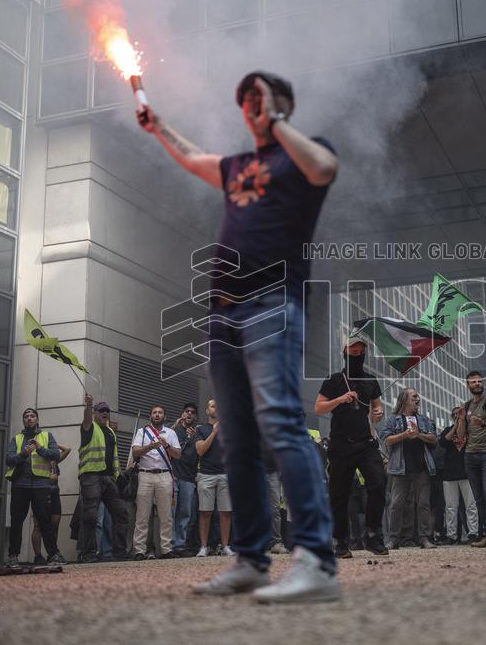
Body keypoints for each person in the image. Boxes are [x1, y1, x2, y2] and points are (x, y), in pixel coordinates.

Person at [140, 70, 339, 603]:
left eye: (262, 97)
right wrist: (159, 126)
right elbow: (191, 156)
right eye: (246, 100)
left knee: (281, 422)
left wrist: (275, 121)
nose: (251, 105)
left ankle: (316, 560)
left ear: (283, 105)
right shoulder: (235, 166)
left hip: (273, 302)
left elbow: (325, 168)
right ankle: (250, 559)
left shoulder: (303, 154)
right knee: (237, 437)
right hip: (222, 313)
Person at [315, 337, 388, 558]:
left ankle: (372, 535)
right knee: (339, 495)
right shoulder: (334, 380)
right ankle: (341, 542)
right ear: (345, 352)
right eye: (353, 351)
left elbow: (376, 409)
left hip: (366, 444)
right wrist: (340, 399)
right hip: (340, 445)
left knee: (378, 485)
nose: (358, 355)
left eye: (361, 351)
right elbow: (318, 407)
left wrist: (378, 413)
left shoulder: (370, 380)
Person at [5, 407, 66, 566]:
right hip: (20, 485)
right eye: (26, 416)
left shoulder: (47, 436)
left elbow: (55, 455)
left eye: (32, 416)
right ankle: (13, 556)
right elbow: (9, 459)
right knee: (17, 521)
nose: (29, 418)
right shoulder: (17, 438)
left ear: (37, 420)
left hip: (41, 484)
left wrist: (39, 448)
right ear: (23, 421)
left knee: (45, 521)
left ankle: (52, 555)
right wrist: (24, 454)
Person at [379, 389, 438, 550]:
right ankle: (393, 539)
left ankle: (424, 538)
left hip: (422, 468)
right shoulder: (393, 419)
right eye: (414, 396)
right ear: (405, 399)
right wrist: (405, 434)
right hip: (399, 469)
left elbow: (434, 439)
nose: (418, 399)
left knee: (423, 504)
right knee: (396, 505)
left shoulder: (424, 419)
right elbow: (386, 441)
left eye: (418, 396)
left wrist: (418, 435)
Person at [456, 370, 486, 548]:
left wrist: (483, 424)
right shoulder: (467, 405)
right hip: (470, 455)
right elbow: (461, 437)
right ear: (467, 385)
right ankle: (485, 534)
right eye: (473, 382)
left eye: (479, 381)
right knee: (478, 498)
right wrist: (461, 420)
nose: (477, 384)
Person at [78, 396, 129, 562]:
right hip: (91, 476)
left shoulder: (111, 432)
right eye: (101, 411)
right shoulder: (89, 426)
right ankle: (88, 554)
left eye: (107, 410)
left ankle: (119, 552)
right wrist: (89, 405)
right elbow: (86, 418)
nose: (105, 413)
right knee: (90, 516)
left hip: (108, 478)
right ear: (95, 414)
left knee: (121, 512)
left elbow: (114, 457)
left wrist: (118, 475)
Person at [131, 405, 182, 560]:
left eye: (160, 413)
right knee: (142, 516)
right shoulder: (142, 432)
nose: (157, 415)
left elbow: (178, 455)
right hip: (145, 475)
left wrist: (166, 445)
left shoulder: (171, 433)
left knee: (166, 516)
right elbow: (135, 452)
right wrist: (150, 446)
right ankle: (139, 550)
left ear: (164, 417)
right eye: (155, 413)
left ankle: (166, 549)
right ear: (150, 416)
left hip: (165, 475)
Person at [194, 399, 233, 558]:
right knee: (205, 512)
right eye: (212, 405)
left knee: (226, 512)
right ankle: (203, 547)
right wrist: (214, 432)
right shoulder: (201, 429)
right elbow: (200, 451)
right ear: (207, 410)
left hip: (225, 474)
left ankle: (225, 546)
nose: (216, 408)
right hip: (206, 474)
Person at [440, 407, 479, 544]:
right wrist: (456, 425)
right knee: (451, 507)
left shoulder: (470, 431)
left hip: (467, 473)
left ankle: (473, 533)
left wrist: (463, 423)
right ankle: (452, 536)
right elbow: (444, 442)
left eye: (460, 414)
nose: (457, 416)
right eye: (455, 414)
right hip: (449, 474)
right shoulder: (447, 430)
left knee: (471, 505)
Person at [31, 441, 71, 565]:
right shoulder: (36, 457)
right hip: (41, 492)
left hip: (54, 492)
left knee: (54, 524)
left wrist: (54, 444)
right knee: (38, 526)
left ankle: (52, 554)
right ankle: (38, 556)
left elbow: (67, 449)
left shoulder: (53, 459)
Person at [170, 403, 200, 555]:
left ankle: (180, 546)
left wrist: (194, 437)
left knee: (185, 514)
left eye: (192, 412)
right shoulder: (174, 429)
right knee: (172, 512)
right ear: (182, 414)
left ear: (195, 416)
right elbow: (166, 445)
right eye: (187, 411)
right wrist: (176, 427)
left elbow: (200, 453)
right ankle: (170, 546)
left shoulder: (197, 432)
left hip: (189, 477)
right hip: (174, 476)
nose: (189, 414)